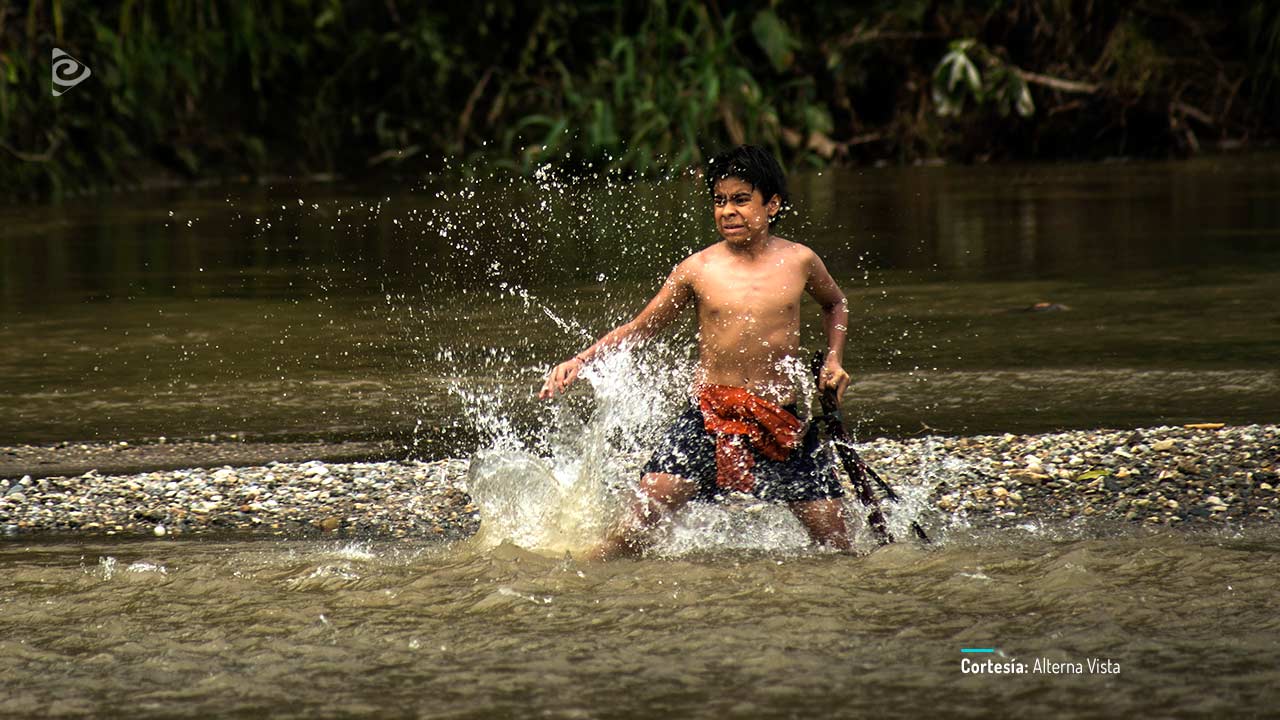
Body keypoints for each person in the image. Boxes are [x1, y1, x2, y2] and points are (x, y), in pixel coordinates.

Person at [538, 144, 853, 559]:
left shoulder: (800, 261)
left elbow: (836, 304)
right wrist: (581, 361)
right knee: (632, 530)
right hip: (711, 420)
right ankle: (580, 575)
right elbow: (640, 328)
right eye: (719, 201)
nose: (728, 211)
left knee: (840, 545)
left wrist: (834, 358)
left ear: (772, 204)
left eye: (741, 200)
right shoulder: (697, 269)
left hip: (781, 421)